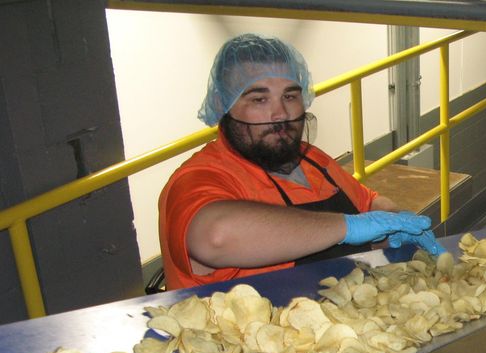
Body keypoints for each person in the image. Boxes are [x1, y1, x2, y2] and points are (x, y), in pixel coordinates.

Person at [159, 34, 444, 289]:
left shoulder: (311, 159)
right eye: (259, 99)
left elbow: (367, 202)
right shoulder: (199, 177)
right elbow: (216, 237)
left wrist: (394, 220)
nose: (280, 114)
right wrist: (349, 228)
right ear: (221, 105)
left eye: (290, 96)